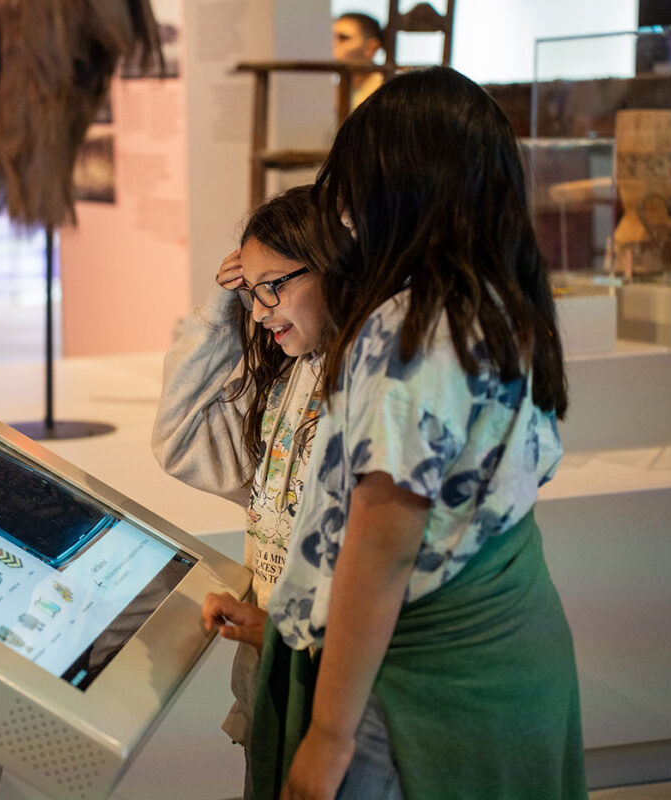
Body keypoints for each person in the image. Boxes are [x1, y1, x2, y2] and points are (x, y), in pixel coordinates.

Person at [226, 67, 586, 799]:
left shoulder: (412, 328)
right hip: (511, 655)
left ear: (403, 190)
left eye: (359, 187)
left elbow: (383, 545)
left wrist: (328, 736)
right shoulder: (499, 304)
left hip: (426, 683)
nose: (349, 213)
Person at [152, 185, 335, 797]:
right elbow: (179, 438)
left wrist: (274, 629)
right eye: (251, 293)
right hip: (271, 688)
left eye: (273, 287)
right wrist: (218, 312)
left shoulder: (364, 398)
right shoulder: (287, 383)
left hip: (333, 701)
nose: (260, 312)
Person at [332, 12, 384, 109]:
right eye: (331, 37)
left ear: (370, 48)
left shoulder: (386, 91)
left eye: (343, 38)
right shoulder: (331, 91)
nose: (332, 44)